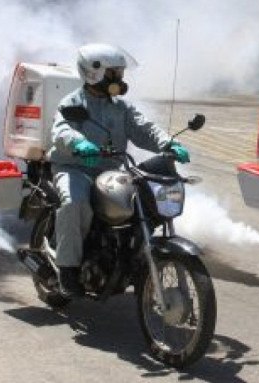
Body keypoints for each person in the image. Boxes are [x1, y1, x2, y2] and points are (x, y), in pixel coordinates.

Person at [46, 43, 190, 297]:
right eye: (114, 74)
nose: (120, 80)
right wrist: (78, 142)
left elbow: (143, 128)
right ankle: (67, 270)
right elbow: (61, 130)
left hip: (112, 170)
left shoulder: (121, 107)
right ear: (94, 73)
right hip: (75, 167)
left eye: (120, 74)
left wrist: (169, 143)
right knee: (75, 204)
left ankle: (129, 254)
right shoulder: (72, 103)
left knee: (145, 198)